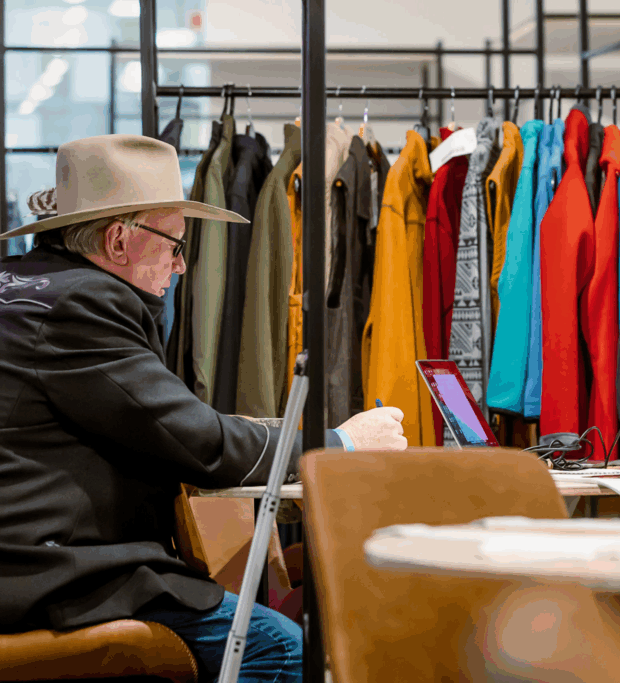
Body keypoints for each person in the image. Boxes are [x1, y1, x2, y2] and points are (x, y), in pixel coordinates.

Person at [0, 135, 406, 682]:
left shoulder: (24, 282)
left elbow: (156, 420)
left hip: (26, 554)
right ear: (120, 240)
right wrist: (343, 442)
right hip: (47, 570)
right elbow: (199, 442)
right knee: (284, 649)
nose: (182, 266)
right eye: (174, 245)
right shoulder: (87, 304)